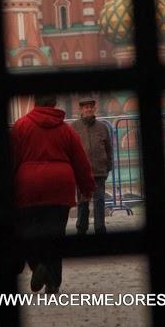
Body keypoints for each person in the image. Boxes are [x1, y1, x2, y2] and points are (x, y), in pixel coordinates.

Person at [11, 95, 94, 294]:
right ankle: (53, 281)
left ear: (34, 103)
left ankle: (38, 265)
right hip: (59, 186)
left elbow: (10, 159)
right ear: (55, 104)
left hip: (28, 186)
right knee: (56, 233)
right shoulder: (66, 130)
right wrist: (87, 187)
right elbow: (80, 161)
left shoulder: (20, 126)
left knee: (30, 230)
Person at [71, 97, 112, 234]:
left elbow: (108, 148)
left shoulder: (103, 127)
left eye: (90, 106)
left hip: (100, 170)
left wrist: (108, 167)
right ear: (81, 109)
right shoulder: (74, 127)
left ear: (95, 108)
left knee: (99, 201)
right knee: (82, 203)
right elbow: (71, 150)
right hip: (82, 172)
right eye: (85, 107)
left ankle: (100, 229)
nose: (88, 109)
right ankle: (81, 229)